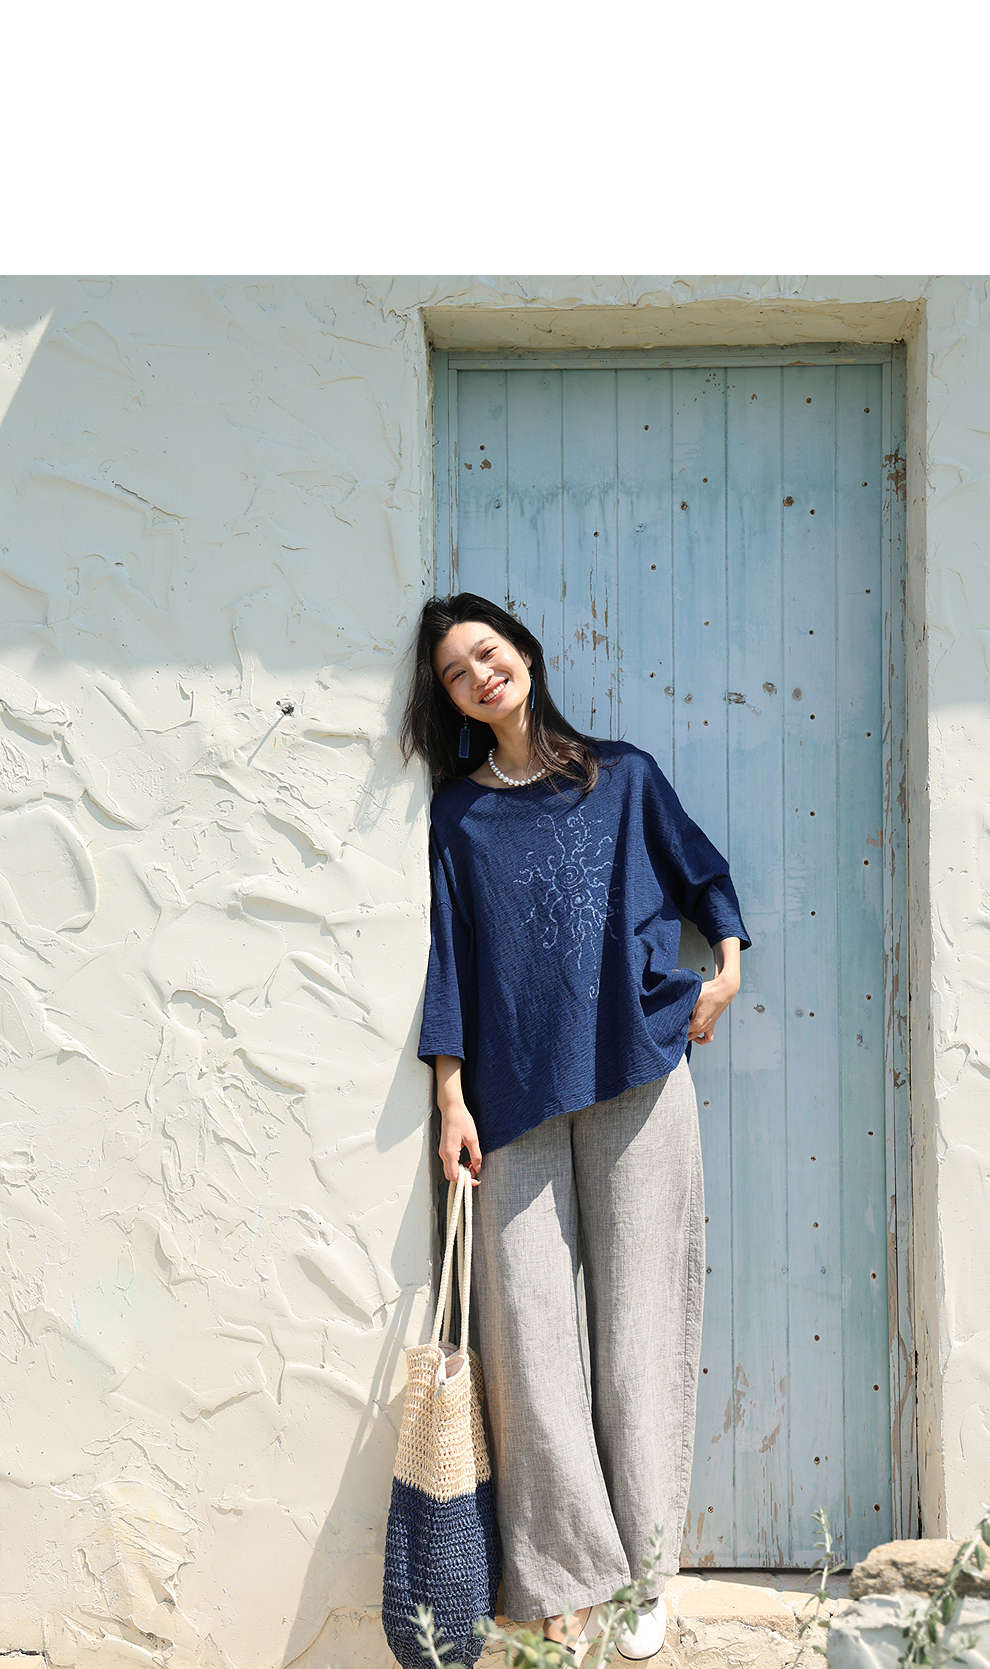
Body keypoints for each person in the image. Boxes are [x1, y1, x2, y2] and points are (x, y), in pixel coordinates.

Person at [399, 592, 752, 1665]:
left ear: (525, 653)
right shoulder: (457, 815)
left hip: (638, 1074)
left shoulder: (623, 777)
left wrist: (726, 968)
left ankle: (644, 1573)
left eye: (487, 653)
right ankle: (566, 1578)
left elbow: (703, 875)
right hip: (510, 1096)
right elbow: (450, 957)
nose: (479, 677)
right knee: (528, 1341)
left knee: (641, 1329)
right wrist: (451, 1093)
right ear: (450, 698)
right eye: (456, 673)